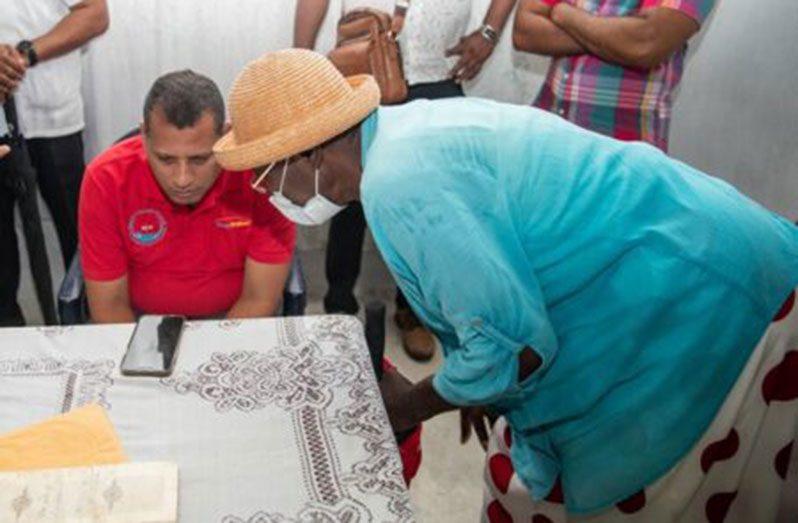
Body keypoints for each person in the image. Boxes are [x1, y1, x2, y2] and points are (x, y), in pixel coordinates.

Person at [214, 50, 798, 520]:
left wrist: (418, 401)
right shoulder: (398, 135)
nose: (265, 194)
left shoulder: (398, 182)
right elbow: (497, 326)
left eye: (263, 176)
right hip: (683, 258)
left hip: (708, 296)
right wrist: (479, 382)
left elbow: (514, 347)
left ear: (307, 151)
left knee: (644, 490)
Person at [294, 0, 517, 361]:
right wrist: (301, 60)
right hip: (363, 66)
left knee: (429, 208)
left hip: (438, 72)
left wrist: (489, 32)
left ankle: (414, 312)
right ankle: (339, 307)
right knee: (350, 194)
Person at [79, 71, 296, 323]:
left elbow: (259, 299)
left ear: (225, 136)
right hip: (140, 324)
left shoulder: (261, 177)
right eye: (166, 159)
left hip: (235, 320)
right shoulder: (106, 180)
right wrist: (142, 357)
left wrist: (212, 358)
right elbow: (110, 306)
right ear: (144, 136)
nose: (182, 179)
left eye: (200, 159)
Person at [0, 0, 109, 326]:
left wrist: (21, 56)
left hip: (55, 121)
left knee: (81, 239)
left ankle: (91, 329)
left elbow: (95, 14)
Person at [512, 0, 714, 151]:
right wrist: (616, 36)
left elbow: (647, 43)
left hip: (622, 153)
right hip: (547, 139)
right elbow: (525, 31)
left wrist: (564, 14)